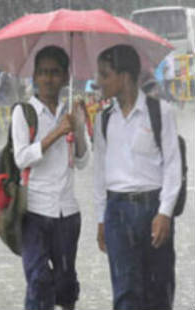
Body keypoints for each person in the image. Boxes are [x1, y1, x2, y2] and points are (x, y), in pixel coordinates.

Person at [93, 44, 181, 310]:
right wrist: (101, 219)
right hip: (117, 214)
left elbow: (173, 166)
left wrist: (165, 213)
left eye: (105, 75)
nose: (98, 82)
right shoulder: (103, 119)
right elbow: (99, 173)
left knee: (159, 291)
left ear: (125, 76)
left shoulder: (160, 112)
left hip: (153, 210)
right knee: (125, 294)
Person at [12, 46, 89, 310]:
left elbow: (82, 161)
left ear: (66, 77)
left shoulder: (72, 111)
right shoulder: (23, 113)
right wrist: (55, 134)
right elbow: (21, 158)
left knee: (66, 284)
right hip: (33, 212)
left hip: (67, 214)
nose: (48, 78)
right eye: (43, 72)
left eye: (55, 72)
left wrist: (77, 129)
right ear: (34, 76)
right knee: (39, 279)